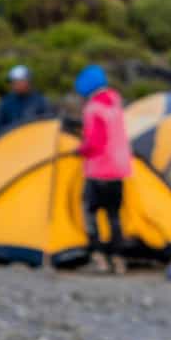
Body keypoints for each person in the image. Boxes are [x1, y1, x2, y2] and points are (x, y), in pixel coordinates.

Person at [74, 64, 132, 275]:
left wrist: (80, 150)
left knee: (90, 212)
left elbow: (96, 143)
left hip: (99, 171)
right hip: (119, 171)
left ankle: (98, 257)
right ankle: (119, 259)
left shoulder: (93, 108)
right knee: (114, 216)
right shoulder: (115, 104)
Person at [0, 64, 51, 136]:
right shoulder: (6, 102)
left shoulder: (40, 101)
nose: (14, 85)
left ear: (27, 82)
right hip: (12, 140)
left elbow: (48, 125)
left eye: (18, 82)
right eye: (13, 82)